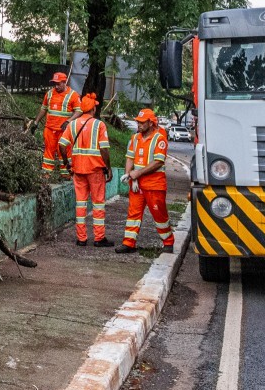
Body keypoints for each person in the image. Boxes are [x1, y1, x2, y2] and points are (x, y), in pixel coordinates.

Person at [118, 109, 173, 256]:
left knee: (159, 214)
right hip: (137, 184)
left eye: (142, 123)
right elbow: (130, 157)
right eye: (138, 122)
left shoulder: (159, 139)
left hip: (154, 184)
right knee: (133, 213)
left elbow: (158, 162)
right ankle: (128, 243)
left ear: (150, 122)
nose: (139, 125)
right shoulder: (135, 138)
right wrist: (128, 174)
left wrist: (137, 173)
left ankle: (168, 242)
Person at [59, 93, 112, 246]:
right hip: (95, 170)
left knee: (80, 204)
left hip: (78, 170)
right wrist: (108, 168)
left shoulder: (73, 124)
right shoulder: (99, 125)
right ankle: (99, 238)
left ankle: (81, 238)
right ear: (93, 109)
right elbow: (104, 149)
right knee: (98, 204)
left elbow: (62, 145)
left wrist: (67, 163)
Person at [29, 72, 79, 176]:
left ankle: (66, 175)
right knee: (48, 153)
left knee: (64, 153)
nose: (56, 86)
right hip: (50, 129)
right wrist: (36, 122)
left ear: (64, 82)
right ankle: (46, 175)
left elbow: (79, 111)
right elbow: (43, 109)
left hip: (64, 131)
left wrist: (68, 121)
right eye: (54, 83)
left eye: (58, 83)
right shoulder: (49, 93)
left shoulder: (73, 95)